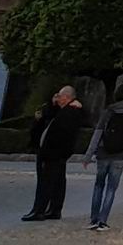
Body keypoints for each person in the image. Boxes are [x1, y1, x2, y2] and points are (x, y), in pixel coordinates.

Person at [24, 86, 86, 222]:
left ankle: (40, 210)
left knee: (46, 182)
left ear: (67, 97)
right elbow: (45, 115)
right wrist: (52, 104)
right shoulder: (60, 110)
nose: (57, 98)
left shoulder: (71, 112)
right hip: (53, 152)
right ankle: (52, 209)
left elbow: (64, 134)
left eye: (60, 96)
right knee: (56, 182)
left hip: (54, 153)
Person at [85, 84, 123, 231]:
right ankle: (103, 220)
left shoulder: (108, 112)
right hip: (120, 155)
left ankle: (93, 219)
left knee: (98, 186)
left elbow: (97, 134)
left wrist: (89, 155)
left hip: (103, 153)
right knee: (111, 188)